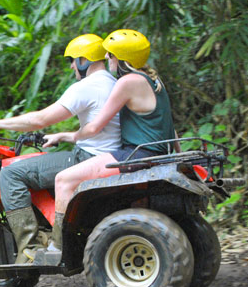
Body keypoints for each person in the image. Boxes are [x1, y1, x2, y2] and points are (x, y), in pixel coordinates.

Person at [0, 33, 120, 264]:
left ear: (84, 60)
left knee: (11, 174)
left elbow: (40, 119)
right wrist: (62, 136)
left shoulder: (86, 86)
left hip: (87, 157)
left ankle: (29, 249)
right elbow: (100, 128)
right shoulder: (115, 83)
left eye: (73, 60)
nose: (72, 65)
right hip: (110, 154)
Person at [43, 29, 178, 266]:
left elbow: (95, 127)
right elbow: (170, 126)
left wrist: (65, 135)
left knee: (64, 180)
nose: (107, 60)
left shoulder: (126, 82)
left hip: (136, 154)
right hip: (158, 152)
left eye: (111, 56)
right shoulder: (154, 80)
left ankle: (58, 246)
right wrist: (176, 155)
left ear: (122, 59)